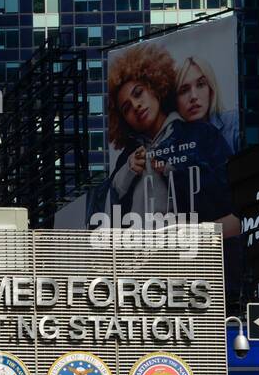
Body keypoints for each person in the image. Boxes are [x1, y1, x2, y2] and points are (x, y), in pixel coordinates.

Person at [102, 42, 239, 237]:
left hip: (193, 255)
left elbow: (228, 197)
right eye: (126, 108)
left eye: (138, 93)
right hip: (139, 259)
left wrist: (172, 171)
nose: (136, 106)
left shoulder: (200, 134)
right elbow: (106, 216)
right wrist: (127, 172)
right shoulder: (127, 158)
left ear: (154, 86)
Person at [174, 54, 240, 154]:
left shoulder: (234, 123)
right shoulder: (170, 145)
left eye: (200, 85)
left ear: (211, 89)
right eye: (184, 90)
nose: (193, 96)